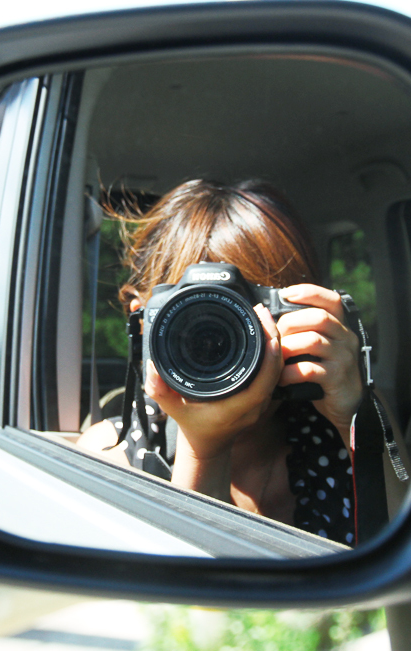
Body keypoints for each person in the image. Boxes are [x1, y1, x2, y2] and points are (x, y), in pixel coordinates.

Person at [78, 179, 379, 546]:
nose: (219, 348)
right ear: (143, 326)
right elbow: (185, 600)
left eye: (251, 314)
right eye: (189, 317)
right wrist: (203, 448)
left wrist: (360, 419)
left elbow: (408, 552)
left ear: (302, 313)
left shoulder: (341, 427)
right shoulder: (111, 455)